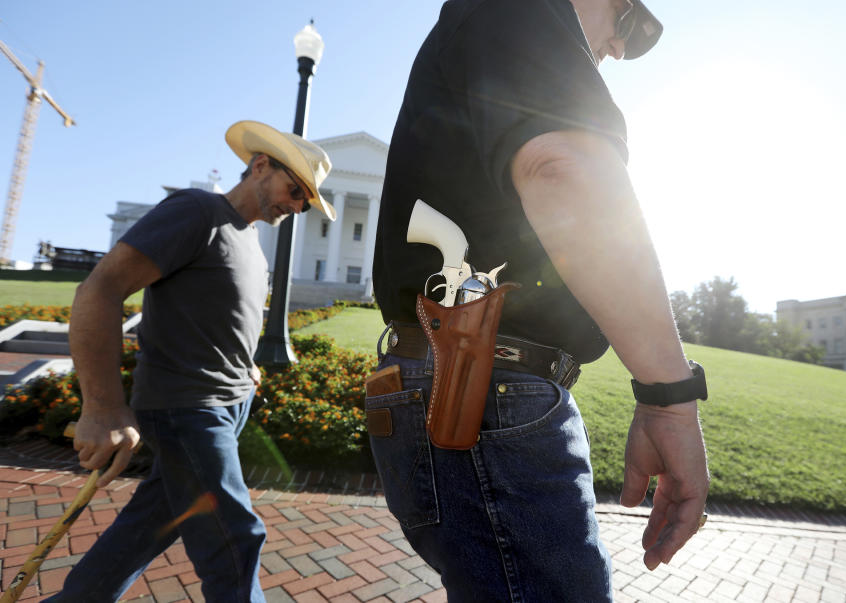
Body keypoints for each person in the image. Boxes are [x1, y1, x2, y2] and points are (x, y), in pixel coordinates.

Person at [369, 1, 709, 600]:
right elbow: (562, 168)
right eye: (626, 20)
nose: (622, 48)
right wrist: (670, 400)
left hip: (463, 378)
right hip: (483, 391)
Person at [46, 121, 334, 602]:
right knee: (235, 541)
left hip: (228, 405)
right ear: (260, 165)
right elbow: (99, 289)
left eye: (307, 199)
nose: (299, 205)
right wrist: (102, 407)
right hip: (188, 409)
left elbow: (220, 318)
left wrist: (247, 370)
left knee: (147, 528)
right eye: (296, 189)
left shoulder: (250, 242)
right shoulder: (198, 211)